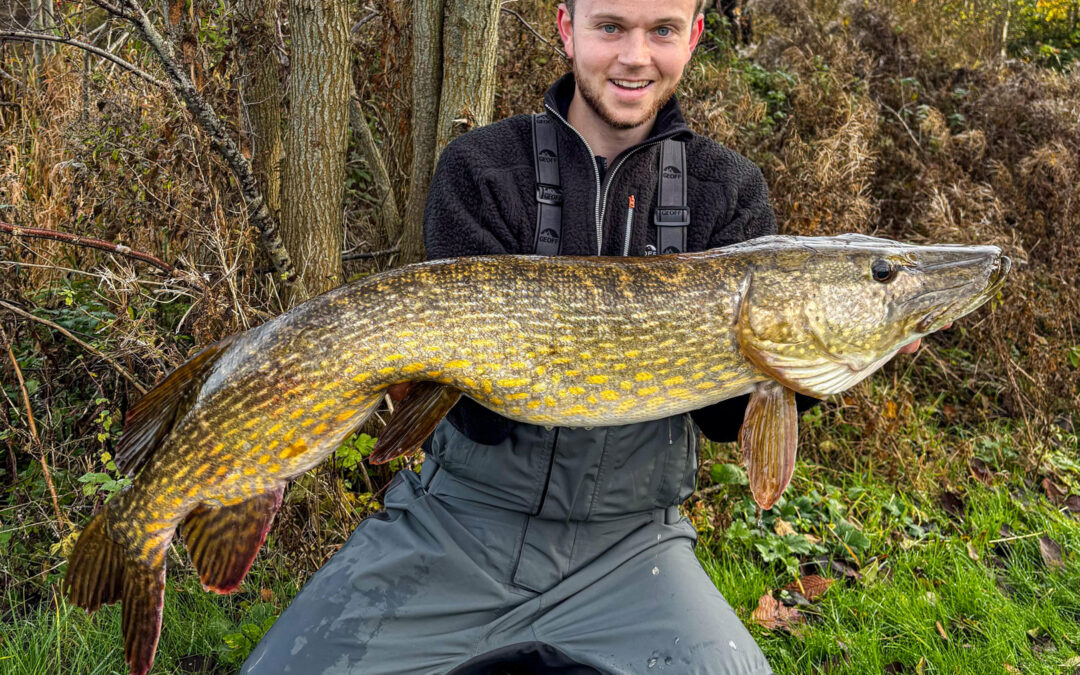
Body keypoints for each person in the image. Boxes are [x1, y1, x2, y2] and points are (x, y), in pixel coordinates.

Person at [241, 1, 929, 672]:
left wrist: (817, 360)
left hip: (632, 550)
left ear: (693, 36)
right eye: (611, 28)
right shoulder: (481, 169)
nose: (636, 56)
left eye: (661, 29)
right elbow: (478, 424)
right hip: (459, 527)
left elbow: (723, 418)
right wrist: (422, 376)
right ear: (568, 30)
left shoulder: (728, 191)